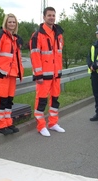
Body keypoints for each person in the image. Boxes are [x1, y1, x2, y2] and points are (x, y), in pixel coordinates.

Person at [29, 7, 65, 137]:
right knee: (41, 101)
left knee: (55, 100)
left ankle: (53, 123)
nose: (51, 17)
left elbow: (58, 54)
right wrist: (38, 74)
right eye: (49, 15)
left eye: (53, 15)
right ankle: (41, 126)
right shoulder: (37, 35)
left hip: (56, 75)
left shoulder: (59, 34)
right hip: (43, 76)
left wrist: (59, 71)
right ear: (44, 17)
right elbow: (35, 56)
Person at [0, 13, 24, 135]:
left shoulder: (14, 38)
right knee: (1, 101)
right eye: (10, 22)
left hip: (12, 74)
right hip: (2, 74)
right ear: (5, 23)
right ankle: (1, 126)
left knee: (9, 101)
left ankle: (8, 123)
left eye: (14, 22)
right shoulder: (0, 36)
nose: (12, 24)